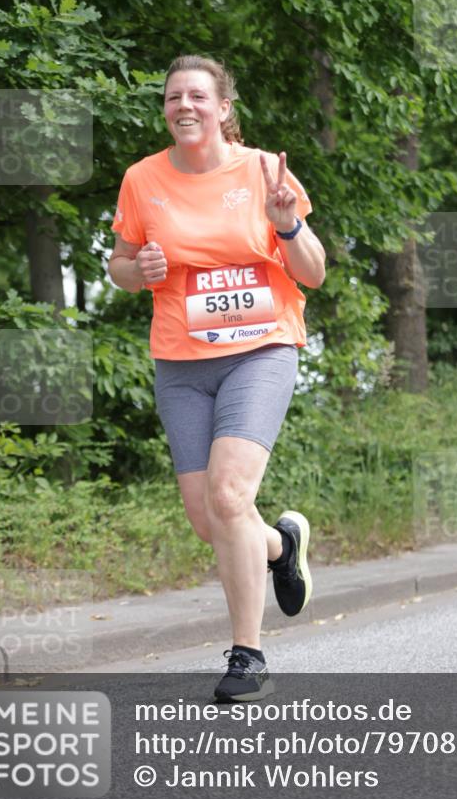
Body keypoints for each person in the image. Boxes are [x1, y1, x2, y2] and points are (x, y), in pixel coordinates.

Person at [108, 54, 326, 702]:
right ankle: (280, 549)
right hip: (180, 361)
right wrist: (137, 270)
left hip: (261, 350)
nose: (185, 106)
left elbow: (311, 272)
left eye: (199, 96)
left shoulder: (262, 171)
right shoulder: (141, 180)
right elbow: (119, 265)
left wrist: (286, 222)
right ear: (165, 109)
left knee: (230, 495)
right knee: (209, 519)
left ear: (223, 108)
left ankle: (247, 653)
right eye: (174, 96)